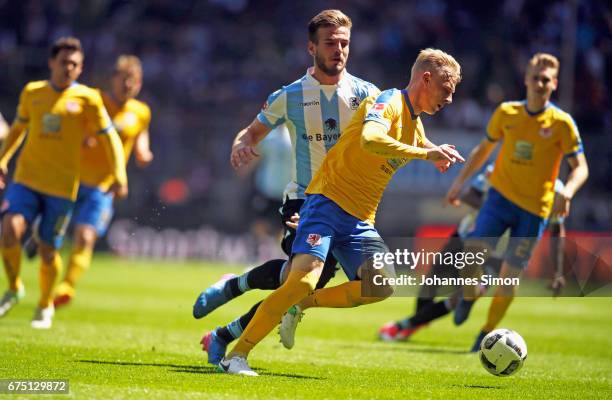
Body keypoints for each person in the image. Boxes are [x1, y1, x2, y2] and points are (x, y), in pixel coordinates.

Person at [219, 48, 464, 375]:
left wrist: (434, 151)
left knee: (380, 284)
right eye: (446, 91)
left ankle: (299, 306)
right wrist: (426, 155)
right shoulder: (388, 101)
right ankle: (236, 356)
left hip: (360, 219)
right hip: (326, 202)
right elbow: (370, 138)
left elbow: (420, 142)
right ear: (426, 78)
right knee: (302, 280)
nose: (449, 99)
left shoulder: (414, 122)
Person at [192, 9, 380, 366]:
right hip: (305, 200)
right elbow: (251, 133)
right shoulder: (289, 96)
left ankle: (232, 297)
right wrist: (239, 146)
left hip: (349, 205)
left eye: (344, 43)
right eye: (330, 43)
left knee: (312, 280)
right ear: (312, 47)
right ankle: (231, 338)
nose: (338, 49)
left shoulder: (367, 95)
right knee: (305, 279)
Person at [444, 53, 588, 343]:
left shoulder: (562, 124)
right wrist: (459, 183)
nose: (539, 84)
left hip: (534, 211)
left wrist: (568, 191)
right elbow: (483, 151)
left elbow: (581, 167)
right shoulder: (507, 113)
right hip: (499, 199)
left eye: (545, 80)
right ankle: (470, 297)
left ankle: (486, 334)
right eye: (535, 78)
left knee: (509, 279)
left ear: (554, 84)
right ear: (526, 79)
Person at [0, 37, 127, 329]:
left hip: (62, 189)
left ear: (80, 68)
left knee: (47, 250)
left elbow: (110, 139)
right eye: (63, 62)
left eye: (74, 64)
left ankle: (44, 304)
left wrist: (119, 174)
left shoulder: (88, 100)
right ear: (51, 63)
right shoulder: (33, 93)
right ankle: (14, 286)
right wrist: (2, 159)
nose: (68, 68)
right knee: (10, 228)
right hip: (26, 180)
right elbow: (18, 129)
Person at [378, 168, 568, 347]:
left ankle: (401, 326)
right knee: (431, 284)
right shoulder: (500, 169)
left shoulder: (555, 190)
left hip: (497, 256)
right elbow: (470, 195)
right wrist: (495, 210)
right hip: (465, 237)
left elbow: (557, 228)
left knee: (460, 296)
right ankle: (416, 322)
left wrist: (559, 270)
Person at [51, 55, 153, 307]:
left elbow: (141, 134)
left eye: (134, 81)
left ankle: (67, 286)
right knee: (51, 236)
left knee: (86, 237)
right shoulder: (94, 101)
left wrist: (143, 151)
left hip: (103, 186)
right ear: (113, 79)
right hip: (71, 179)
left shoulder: (141, 112)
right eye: (124, 79)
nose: (128, 85)